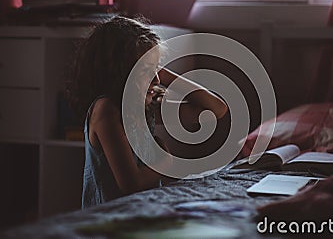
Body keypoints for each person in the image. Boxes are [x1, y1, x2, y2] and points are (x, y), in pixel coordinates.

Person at [66, 16, 227, 209]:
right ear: (119, 73)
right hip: (110, 219)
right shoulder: (106, 110)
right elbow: (131, 185)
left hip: (140, 212)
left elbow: (216, 109)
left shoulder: (142, 108)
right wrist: (165, 162)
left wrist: (160, 72)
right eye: (145, 71)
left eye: (156, 68)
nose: (157, 79)